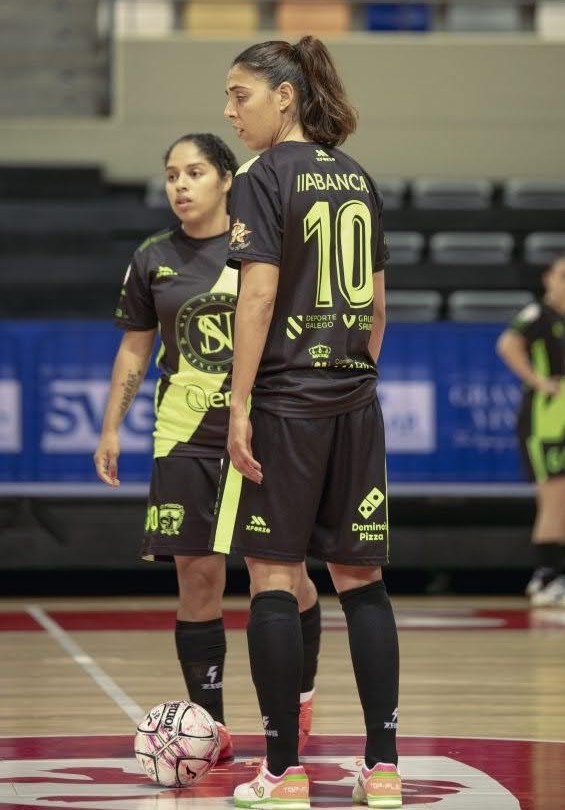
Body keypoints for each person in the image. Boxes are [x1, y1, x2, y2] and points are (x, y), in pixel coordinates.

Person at [212, 37, 401, 808]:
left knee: (272, 578)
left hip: (286, 401)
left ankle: (283, 772)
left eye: (240, 95)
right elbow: (378, 307)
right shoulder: (355, 175)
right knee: (362, 582)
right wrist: (350, 378)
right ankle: (382, 768)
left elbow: (256, 297)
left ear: (284, 96)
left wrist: (239, 403)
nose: (230, 113)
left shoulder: (261, 177)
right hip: (355, 400)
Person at [93, 132, 321, 762]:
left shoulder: (264, 246)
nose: (180, 185)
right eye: (171, 175)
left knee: (286, 576)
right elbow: (135, 348)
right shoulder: (152, 257)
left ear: (226, 179)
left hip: (262, 429)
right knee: (197, 578)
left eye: (194, 172)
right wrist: (111, 426)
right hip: (183, 435)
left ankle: (298, 700)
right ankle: (210, 729)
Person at [496, 256, 565, 607]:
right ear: (548, 279)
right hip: (545, 420)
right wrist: (539, 381)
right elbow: (507, 344)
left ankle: (552, 575)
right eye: (563, 276)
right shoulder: (538, 315)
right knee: (554, 497)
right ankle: (547, 576)